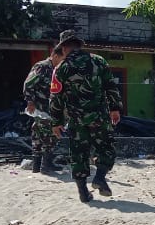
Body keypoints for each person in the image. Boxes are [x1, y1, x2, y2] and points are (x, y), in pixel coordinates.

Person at [49, 30, 122, 203]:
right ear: (79, 45)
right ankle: (100, 178)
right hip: (99, 117)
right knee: (106, 148)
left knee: (78, 154)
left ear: (64, 47)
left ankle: (83, 193)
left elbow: (55, 97)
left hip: (76, 120)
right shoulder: (98, 61)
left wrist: (56, 122)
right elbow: (111, 86)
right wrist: (115, 109)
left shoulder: (61, 69)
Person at [23, 49, 63, 173]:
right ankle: (45, 166)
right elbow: (28, 84)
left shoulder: (56, 69)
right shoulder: (42, 67)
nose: (62, 62)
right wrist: (30, 101)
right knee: (47, 135)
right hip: (41, 107)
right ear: (55, 56)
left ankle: (38, 165)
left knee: (39, 134)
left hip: (50, 108)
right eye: (62, 59)